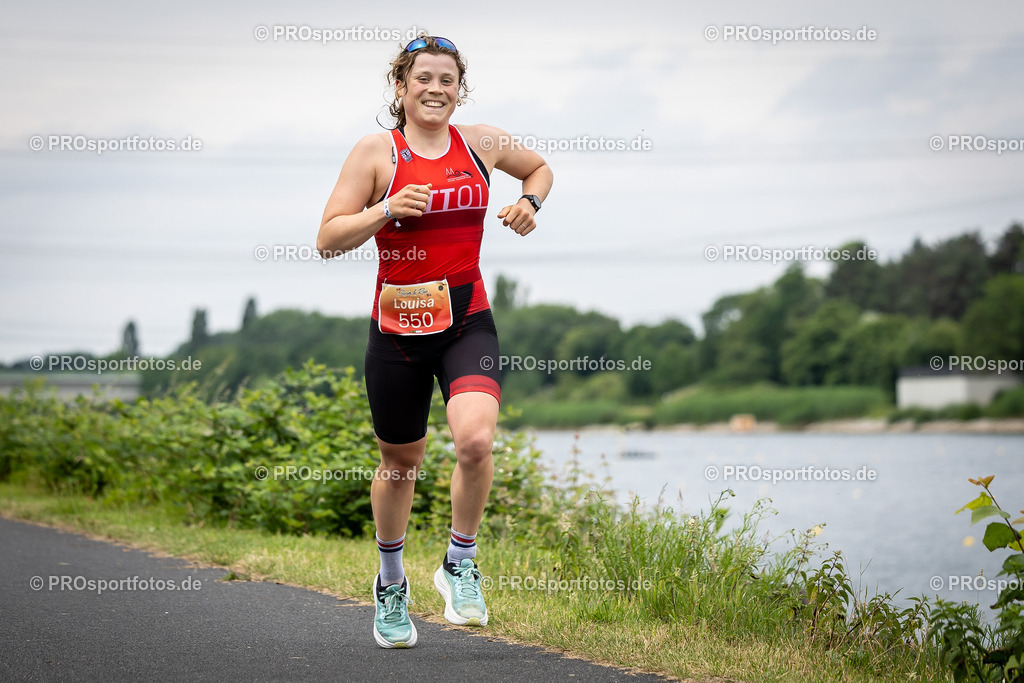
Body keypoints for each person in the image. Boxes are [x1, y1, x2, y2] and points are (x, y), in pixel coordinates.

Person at [317, 34, 553, 649]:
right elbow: (328, 238)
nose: (435, 89)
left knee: (475, 441)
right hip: (397, 328)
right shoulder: (376, 153)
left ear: (459, 89)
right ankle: (391, 582)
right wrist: (386, 209)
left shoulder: (481, 143)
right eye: (423, 78)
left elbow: (539, 167)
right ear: (401, 87)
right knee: (402, 463)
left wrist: (529, 201)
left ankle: (459, 562)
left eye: (447, 80)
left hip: (466, 317)